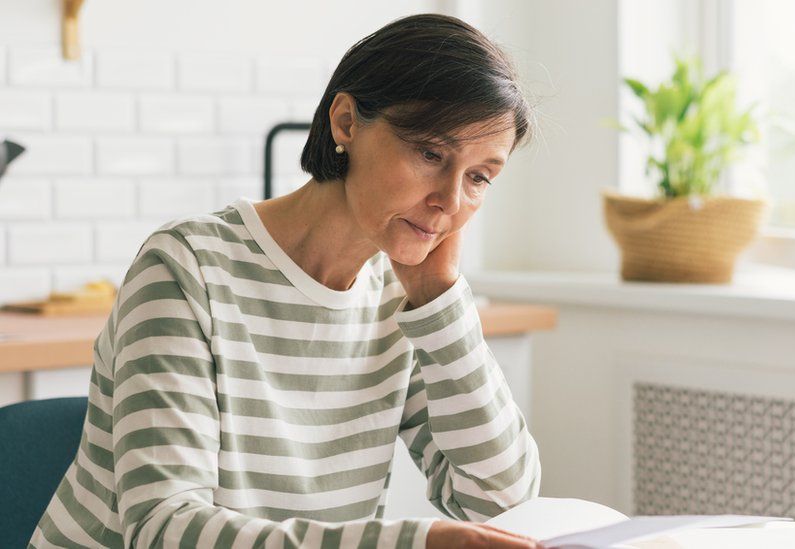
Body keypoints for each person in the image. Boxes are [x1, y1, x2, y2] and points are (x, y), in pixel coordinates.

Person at [30, 13, 542, 549]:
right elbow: (162, 528)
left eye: (479, 177)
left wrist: (441, 304)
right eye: (430, 153)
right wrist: (412, 544)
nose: (451, 200)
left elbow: (503, 504)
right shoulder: (186, 268)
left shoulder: (405, 303)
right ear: (345, 122)